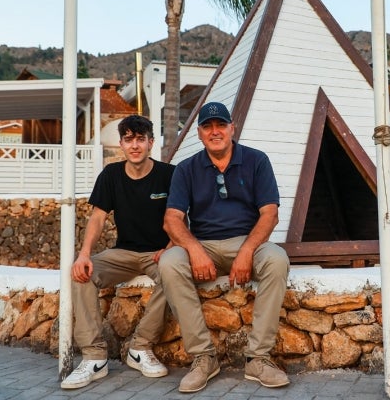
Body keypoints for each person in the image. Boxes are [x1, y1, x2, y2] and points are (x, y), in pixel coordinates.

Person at [161, 101, 290, 393]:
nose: (215, 131)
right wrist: (194, 251)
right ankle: (204, 358)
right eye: (208, 126)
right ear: (199, 133)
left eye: (221, 125)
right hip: (203, 243)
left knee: (277, 260)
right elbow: (172, 220)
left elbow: (270, 213)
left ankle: (258, 359)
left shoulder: (257, 161)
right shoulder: (186, 169)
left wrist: (246, 251)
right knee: (169, 263)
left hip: (248, 241)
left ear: (233, 128)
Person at [61, 115, 175, 390]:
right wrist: (84, 254)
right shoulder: (111, 175)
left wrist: (170, 248)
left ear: (151, 142)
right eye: (128, 140)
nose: (134, 145)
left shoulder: (170, 174)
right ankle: (94, 357)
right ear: (121, 144)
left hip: (159, 253)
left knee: (175, 276)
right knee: (82, 274)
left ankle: (140, 347)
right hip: (123, 253)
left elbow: (182, 217)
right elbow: (98, 217)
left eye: (140, 139)